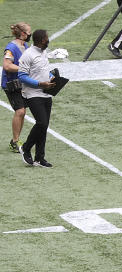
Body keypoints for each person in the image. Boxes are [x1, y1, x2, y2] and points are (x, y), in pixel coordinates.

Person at [16, 29, 56, 168]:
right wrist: (40, 83)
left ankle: (40, 158)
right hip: (33, 94)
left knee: (44, 127)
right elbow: (21, 76)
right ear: (41, 41)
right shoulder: (28, 55)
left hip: (46, 93)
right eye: (46, 38)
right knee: (42, 123)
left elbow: (43, 70)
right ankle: (26, 148)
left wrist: (51, 77)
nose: (48, 40)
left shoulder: (43, 52)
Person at [3, 22, 30, 153]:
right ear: (23, 34)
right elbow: (7, 66)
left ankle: (16, 139)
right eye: (29, 32)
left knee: (23, 112)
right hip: (11, 84)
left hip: (21, 83)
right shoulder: (11, 48)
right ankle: (14, 142)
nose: (30, 34)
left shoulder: (25, 45)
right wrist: (23, 69)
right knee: (20, 111)